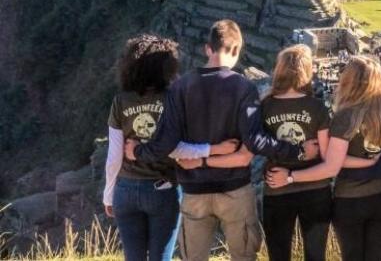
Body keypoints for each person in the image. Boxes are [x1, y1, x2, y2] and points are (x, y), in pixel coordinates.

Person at [133, 20, 319, 261]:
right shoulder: (243, 87)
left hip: (194, 193)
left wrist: (139, 152)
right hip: (235, 190)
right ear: (236, 49)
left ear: (208, 49)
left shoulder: (180, 88)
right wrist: (298, 152)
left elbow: (166, 143)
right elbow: (255, 141)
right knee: (243, 256)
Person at [104, 34, 228, 261]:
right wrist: (212, 149)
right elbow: (176, 148)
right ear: (167, 67)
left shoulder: (121, 101)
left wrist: (108, 195)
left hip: (126, 189)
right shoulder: (173, 99)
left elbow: (114, 156)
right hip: (163, 189)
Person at [266, 55, 381, 261]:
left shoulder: (346, 116)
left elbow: (332, 164)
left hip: (350, 197)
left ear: (349, 81)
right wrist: (374, 161)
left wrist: (291, 176)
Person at [256, 44, 332, 261]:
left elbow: (257, 145)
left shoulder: (264, 106)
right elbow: (326, 158)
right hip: (316, 191)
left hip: (276, 189)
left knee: (278, 256)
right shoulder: (317, 108)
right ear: (307, 72)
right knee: (315, 256)